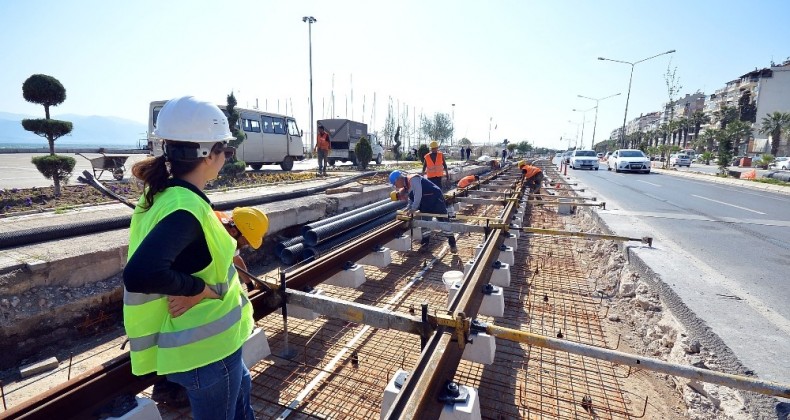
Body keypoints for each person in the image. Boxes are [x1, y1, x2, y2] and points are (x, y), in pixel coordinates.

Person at [123, 96, 256, 420]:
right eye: (226, 149)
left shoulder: (166, 194)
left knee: (242, 397)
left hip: (213, 345)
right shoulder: (186, 210)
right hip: (207, 352)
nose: (226, 156)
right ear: (208, 155)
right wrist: (196, 288)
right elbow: (141, 273)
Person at [389, 170, 457, 253]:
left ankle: (452, 244)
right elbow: (412, 199)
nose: (396, 186)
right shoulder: (406, 186)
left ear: (398, 179)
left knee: (443, 222)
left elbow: (418, 194)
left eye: (395, 184)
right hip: (425, 202)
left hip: (435, 198)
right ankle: (425, 244)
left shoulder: (413, 179)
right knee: (425, 223)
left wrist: (413, 209)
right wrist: (407, 209)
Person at [214, 207, 269, 292]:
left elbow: (236, 258)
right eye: (246, 241)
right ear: (233, 231)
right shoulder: (210, 235)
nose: (246, 245)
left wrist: (249, 284)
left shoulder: (229, 232)